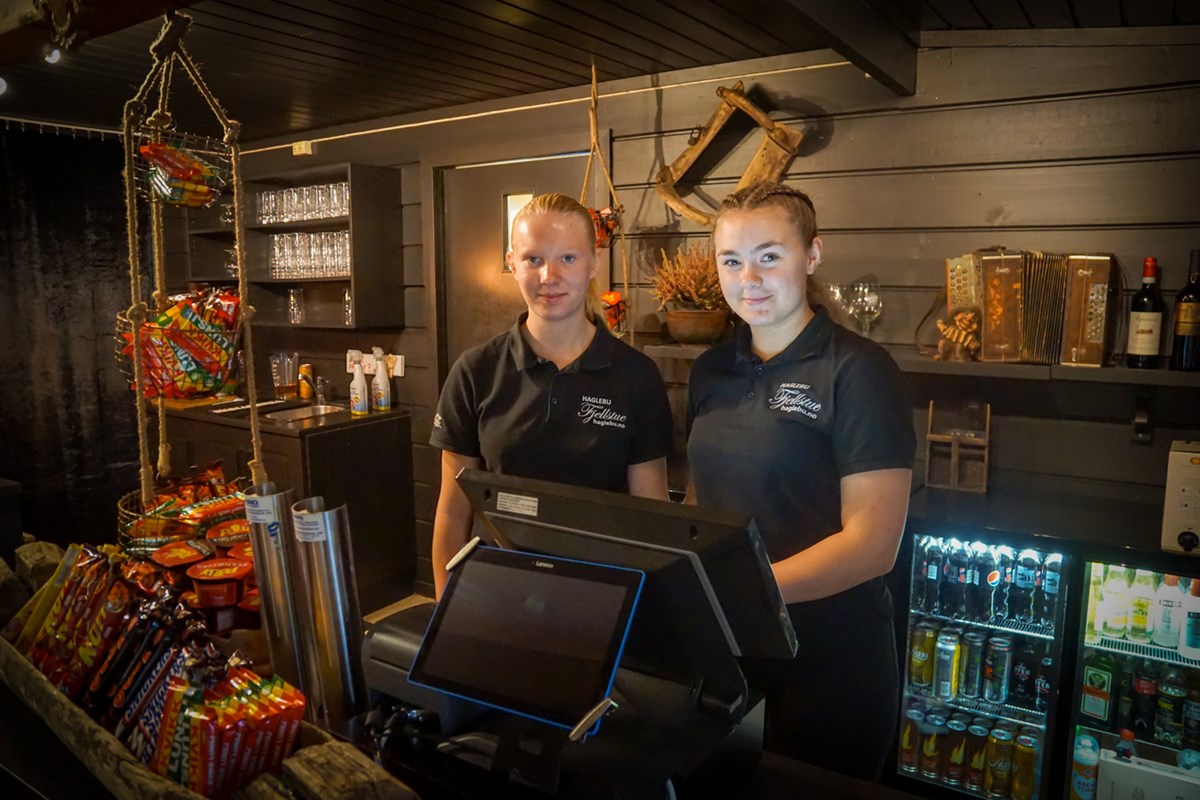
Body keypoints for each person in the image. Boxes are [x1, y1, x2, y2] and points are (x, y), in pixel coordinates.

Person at [686, 181, 915, 781]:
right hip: (731, 652)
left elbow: (872, 545)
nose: (749, 278)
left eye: (769, 256)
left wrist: (736, 591)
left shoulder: (859, 370)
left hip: (831, 661)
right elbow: (700, 504)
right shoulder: (710, 370)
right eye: (731, 261)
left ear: (811, 256)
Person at [430, 193, 674, 597]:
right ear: (512, 263)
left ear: (594, 262)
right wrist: (444, 609)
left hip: (603, 594)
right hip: (495, 590)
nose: (549, 276)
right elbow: (452, 511)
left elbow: (653, 516)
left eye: (568, 258)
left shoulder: (636, 376)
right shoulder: (476, 370)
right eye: (533, 259)